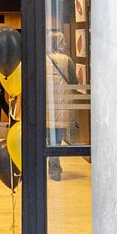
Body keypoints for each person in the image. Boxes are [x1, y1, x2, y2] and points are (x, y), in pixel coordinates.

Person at [46, 31, 75, 180]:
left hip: (45, 105)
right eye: (63, 42)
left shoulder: (41, 59)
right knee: (57, 138)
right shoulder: (67, 60)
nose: (65, 45)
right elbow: (74, 81)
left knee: (47, 137)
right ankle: (55, 166)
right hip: (61, 103)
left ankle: (51, 163)